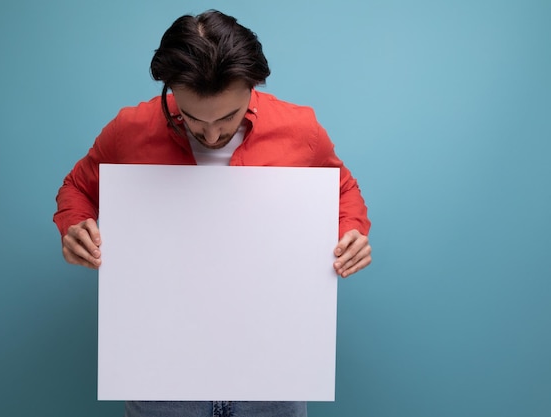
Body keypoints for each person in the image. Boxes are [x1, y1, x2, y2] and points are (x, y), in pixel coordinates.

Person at [54, 9, 371, 417]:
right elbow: (77, 186)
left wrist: (351, 232)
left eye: (227, 117)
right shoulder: (129, 130)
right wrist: (75, 226)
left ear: (252, 87)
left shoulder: (300, 130)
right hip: (161, 376)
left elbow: (343, 188)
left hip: (273, 370)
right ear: (172, 90)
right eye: (192, 118)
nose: (212, 134)